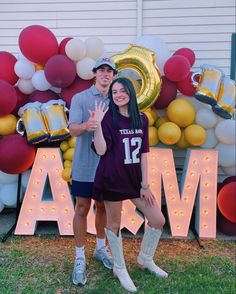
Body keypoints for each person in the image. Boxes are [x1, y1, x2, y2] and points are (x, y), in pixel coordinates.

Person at [91, 77, 168, 292]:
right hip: (112, 178)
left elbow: (143, 153)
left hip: (134, 180)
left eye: (122, 91)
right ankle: (119, 268)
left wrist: (145, 184)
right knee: (114, 225)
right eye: (114, 92)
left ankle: (145, 259)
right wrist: (96, 126)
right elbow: (101, 150)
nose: (118, 95)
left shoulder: (141, 119)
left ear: (130, 93)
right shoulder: (108, 118)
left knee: (157, 219)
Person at [68, 57, 117, 286]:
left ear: (113, 76)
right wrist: (87, 126)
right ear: (95, 73)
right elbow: (72, 129)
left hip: (108, 165)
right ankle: (79, 257)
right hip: (85, 164)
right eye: (102, 70)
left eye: (110, 71)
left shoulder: (118, 98)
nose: (105, 74)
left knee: (103, 206)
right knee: (82, 207)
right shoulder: (81, 98)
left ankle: (100, 248)